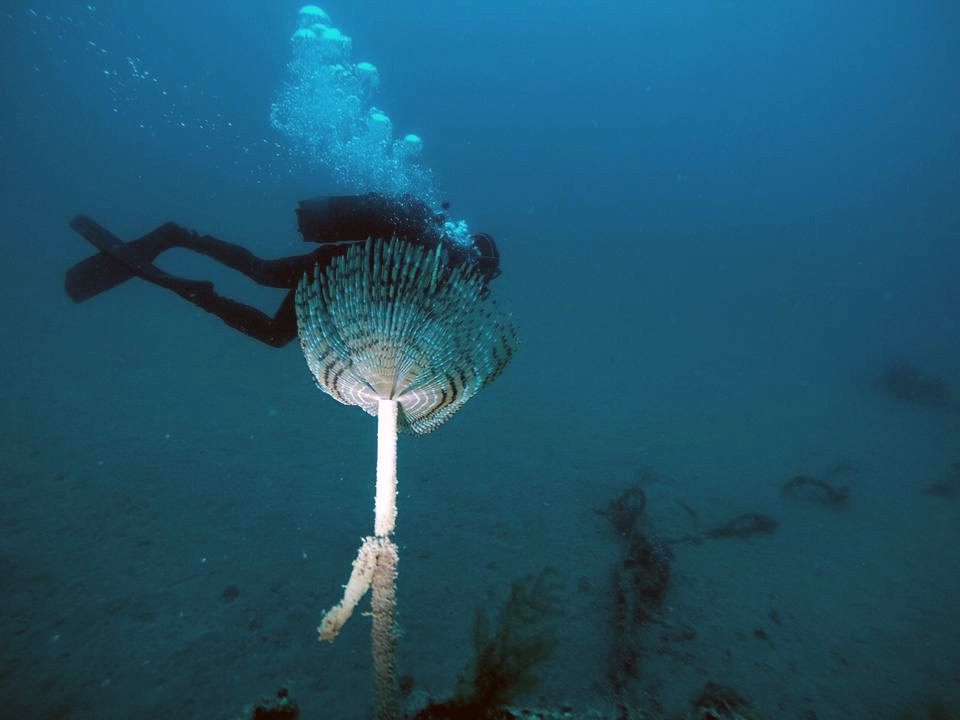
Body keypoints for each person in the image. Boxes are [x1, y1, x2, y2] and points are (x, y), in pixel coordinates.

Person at [65, 193, 502, 348]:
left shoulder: (438, 258)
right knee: (272, 322)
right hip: (334, 275)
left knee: (260, 272)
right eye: (486, 278)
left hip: (336, 272)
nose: (480, 288)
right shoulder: (444, 268)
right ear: (480, 266)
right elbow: (397, 306)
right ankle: (195, 284)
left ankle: (184, 239)